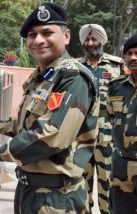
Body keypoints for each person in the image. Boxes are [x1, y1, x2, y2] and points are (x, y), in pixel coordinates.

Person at [0, 3, 99, 213]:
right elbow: (29, 126)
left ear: (66, 36)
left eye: (47, 32)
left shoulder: (73, 78)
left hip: (57, 197)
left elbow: (50, 135)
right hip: (29, 189)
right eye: (32, 35)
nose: (38, 40)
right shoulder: (41, 78)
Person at [77, 24, 125, 213]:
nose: (90, 43)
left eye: (94, 39)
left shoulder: (118, 66)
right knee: (81, 184)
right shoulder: (75, 66)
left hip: (108, 137)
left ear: (102, 41)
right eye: (87, 40)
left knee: (108, 184)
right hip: (81, 136)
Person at [107, 34, 137, 213]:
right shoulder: (115, 87)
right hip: (121, 167)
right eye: (129, 53)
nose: (133, 57)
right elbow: (112, 117)